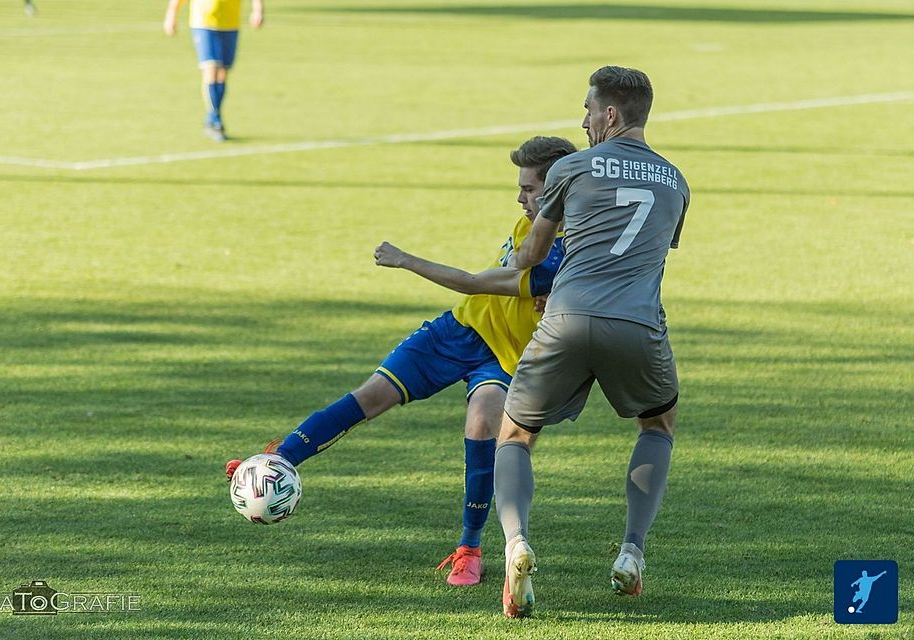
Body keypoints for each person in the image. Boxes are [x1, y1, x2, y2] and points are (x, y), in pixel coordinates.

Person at [226, 136, 578, 586]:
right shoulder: (528, 226)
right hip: (458, 331)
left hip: (504, 359)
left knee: (481, 423)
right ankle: (277, 461)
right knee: (372, 394)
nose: (519, 197)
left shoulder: (562, 257)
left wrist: (405, 259)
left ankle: (469, 549)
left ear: (554, 191)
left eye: (528, 189)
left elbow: (474, 282)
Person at [473, 66, 690, 617]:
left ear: (610, 114)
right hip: (638, 325)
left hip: (566, 318)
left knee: (516, 433)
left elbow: (531, 258)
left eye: (589, 109)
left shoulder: (571, 167)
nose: (585, 119)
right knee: (657, 424)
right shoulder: (677, 181)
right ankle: (632, 551)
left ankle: (516, 544)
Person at [163, 0, 263, 141]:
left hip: (230, 23)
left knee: (222, 74)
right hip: (203, 22)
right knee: (211, 69)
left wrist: (258, 9)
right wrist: (171, 14)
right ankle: (214, 119)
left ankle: (213, 118)